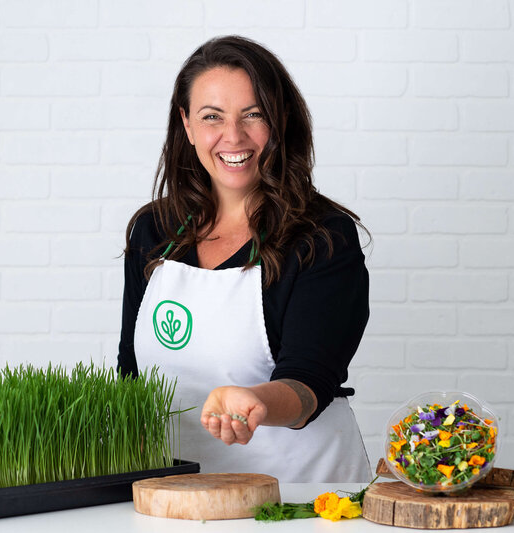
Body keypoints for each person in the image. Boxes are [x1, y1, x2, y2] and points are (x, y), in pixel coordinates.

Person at [117, 35, 371, 483]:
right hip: (177, 489)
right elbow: (131, 373)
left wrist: (255, 400)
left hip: (302, 493)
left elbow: (310, 383)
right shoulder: (154, 231)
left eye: (253, 115)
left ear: (280, 122)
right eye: (212, 116)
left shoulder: (321, 236)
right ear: (187, 125)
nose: (233, 136)